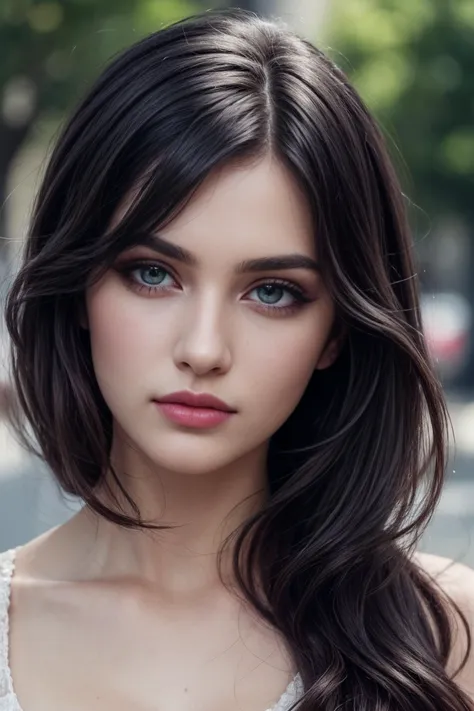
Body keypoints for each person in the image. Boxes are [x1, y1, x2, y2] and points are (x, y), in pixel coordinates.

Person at [1, 7, 473, 711]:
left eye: (273, 291)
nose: (202, 348)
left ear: (336, 330)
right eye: (153, 274)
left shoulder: (445, 640)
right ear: (78, 286)